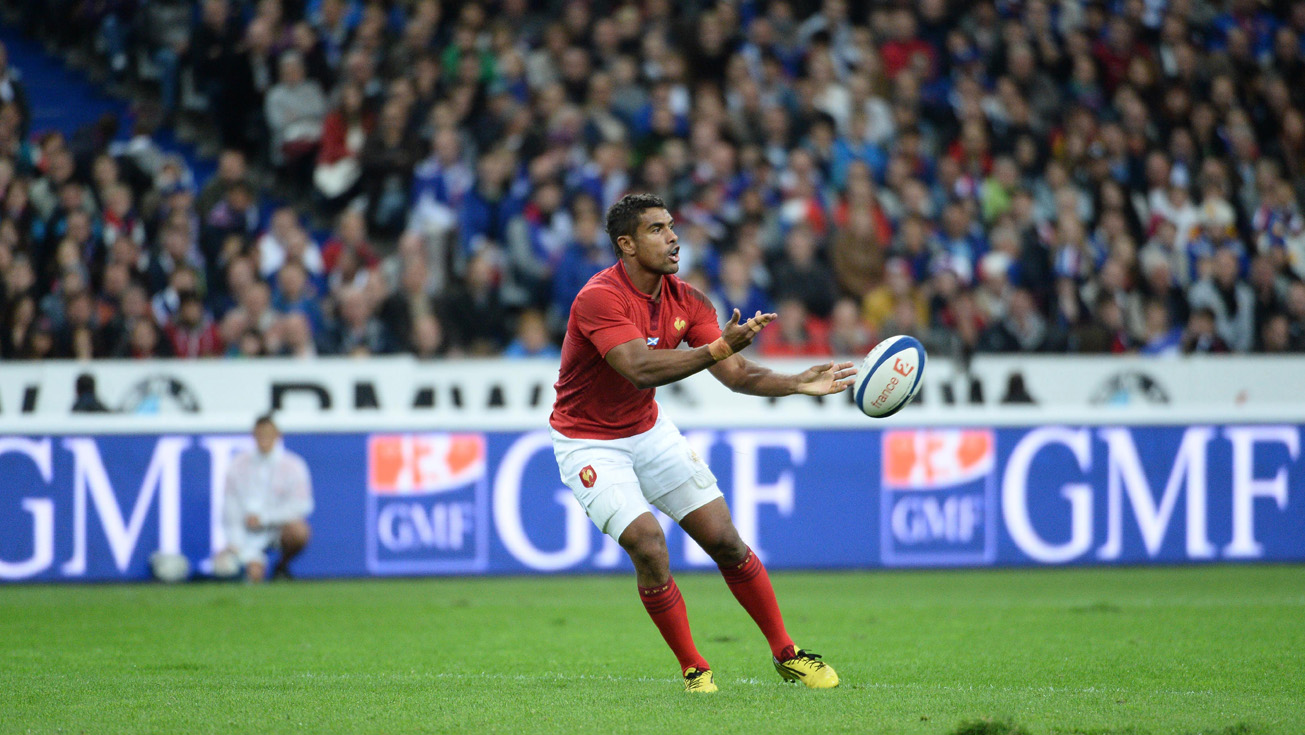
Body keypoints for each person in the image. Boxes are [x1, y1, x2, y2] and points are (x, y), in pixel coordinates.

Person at [549, 194, 855, 693]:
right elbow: (638, 367)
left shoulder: (689, 302)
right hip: (587, 442)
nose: (672, 237)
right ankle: (694, 666)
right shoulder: (598, 298)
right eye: (656, 230)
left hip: (648, 430)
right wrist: (717, 348)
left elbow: (734, 374)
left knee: (725, 540)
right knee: (648, 545)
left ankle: (787, 653)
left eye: (672, 226)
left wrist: (797, 382)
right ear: (625, 244)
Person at [221, 415, 313, 582]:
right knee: (226, 569)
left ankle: (281, 565)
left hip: (277, 528)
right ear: (253, 435)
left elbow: (302, 505)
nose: (264, 438)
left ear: (278, 435)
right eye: (260, 434)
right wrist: (236, 544)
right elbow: (230, 509)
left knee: (299, 531)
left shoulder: (294, 465)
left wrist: (265, 518)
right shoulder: (237, 465)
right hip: (246, 531)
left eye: (268, 434)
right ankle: (251, 567)